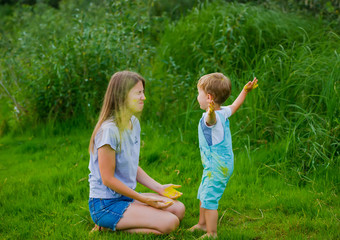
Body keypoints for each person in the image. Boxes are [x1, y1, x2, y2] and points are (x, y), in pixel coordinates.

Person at [88, 71, 185, 234]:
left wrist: (159, 188)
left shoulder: (133, 122)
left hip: (126, 197)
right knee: (170, 223)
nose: (143, 97)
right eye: (138, 93)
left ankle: (119, 223)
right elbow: (108, 179)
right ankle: (106, 225)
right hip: (106, 203)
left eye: (143, 92)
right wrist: (144, 199)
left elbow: (132, 166)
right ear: (122, 96)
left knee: (178, 209)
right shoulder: (108, 131)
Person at [189, 73, 258, 238]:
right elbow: (235, 105)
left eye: (198, 93)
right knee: (204, 192)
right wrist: (245, 91)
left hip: (217, 166)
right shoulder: (223, 112)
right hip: (220, 164)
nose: (197, 97)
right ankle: (201, 224)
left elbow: (211, 120)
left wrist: (210, 111)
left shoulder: (210, 117)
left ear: (208, 97)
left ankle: (211, 233)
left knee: (210, 198)